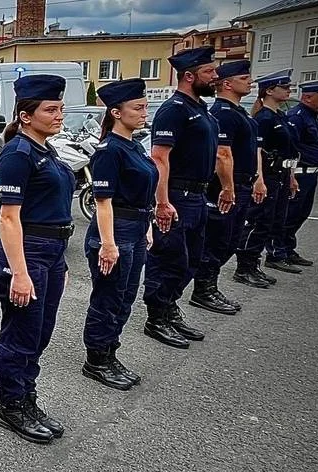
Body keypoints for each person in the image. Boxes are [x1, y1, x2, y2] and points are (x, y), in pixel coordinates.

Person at [0, 74, 75, 444]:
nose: (60, 115)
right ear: (26, 115)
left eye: (60, 108)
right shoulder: (18, 154)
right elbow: (9, 218)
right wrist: (20, 273)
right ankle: (12, 405)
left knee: (40, 333)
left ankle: (27, 396)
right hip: (28, 254)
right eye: (51, 109)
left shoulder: (46, 150)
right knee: (21, 334)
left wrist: (62, 262)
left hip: (51, 253)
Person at [143, 46, 221, 350]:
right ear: (189, 76)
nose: (215, 76)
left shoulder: (200, 108)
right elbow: (160, 158)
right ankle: (157, 316)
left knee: (191, 258)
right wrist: (162, 202)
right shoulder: (174, 110)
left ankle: (170, 306)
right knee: (169, 258)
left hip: (198, 196)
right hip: (177, 194)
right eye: (209, 72)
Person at [81, 78, 156, 391]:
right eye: (137, 107)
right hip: (116, 231)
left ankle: (110, 351)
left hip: (136, 228)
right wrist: (109, 244)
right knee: (108, 298)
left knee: (125, 297)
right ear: (115, 112)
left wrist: (148, 226)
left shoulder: (134, 145)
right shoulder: (110, 151)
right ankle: (96, 359)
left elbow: (144, 192)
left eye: (144, 106)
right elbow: (103, 202)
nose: (144, 112)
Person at [190, 59, 267, 315]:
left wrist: (257, 178)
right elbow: (222, 154)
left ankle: (209, 286)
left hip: (241, 185)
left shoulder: (239, 113)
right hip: (227, 188)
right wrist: (228, 187)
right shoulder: (223, 113)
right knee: (218, 240)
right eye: (244, 79)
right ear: (227, 83)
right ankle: (204, 289)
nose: (250, 82)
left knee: (230, 240)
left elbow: (252, 150)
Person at [234, 69, 299, 288]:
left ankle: (254, 265)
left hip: (280, 174)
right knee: (258, 221)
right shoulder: (263, 118)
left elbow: (287, 151)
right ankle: (244, 267)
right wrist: (258, 180)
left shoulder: (279, 116)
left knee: (271, 221)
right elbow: (258, 151)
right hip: (267, 175)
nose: (289, 90)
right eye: (284, 87)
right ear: (270, 91)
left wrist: (291, 176)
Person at [271, 78, 318, 272]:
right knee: (287, 215)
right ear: (308, 97)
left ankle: (288, 249)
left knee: (300, 215)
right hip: (298, 173)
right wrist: (290, 175)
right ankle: (276, 253)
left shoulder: (311, 116)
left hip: (310, 174)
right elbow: (289, 148)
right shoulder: (297, 116)